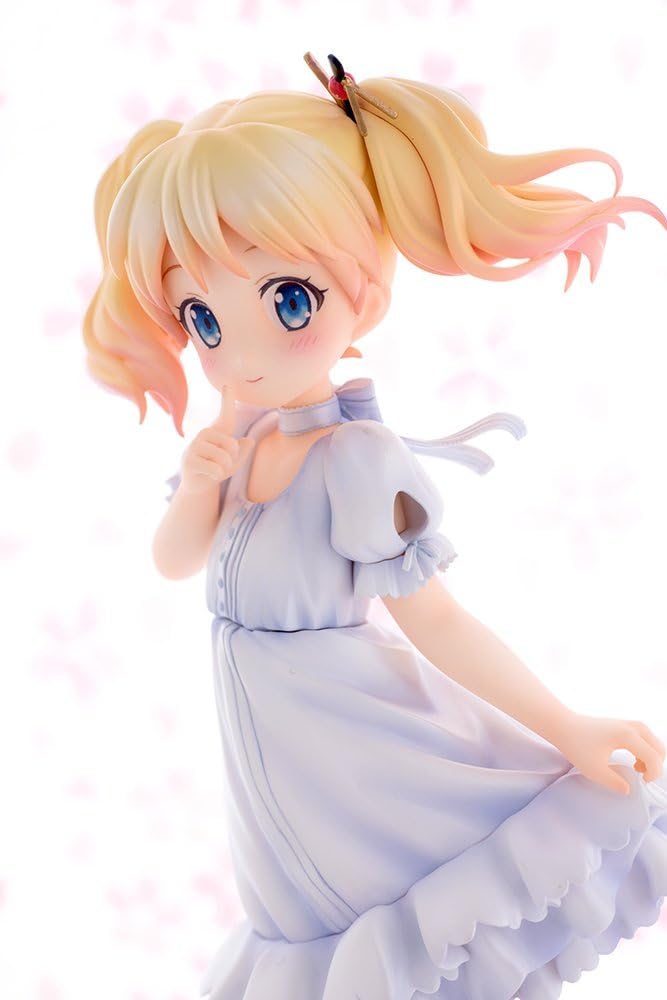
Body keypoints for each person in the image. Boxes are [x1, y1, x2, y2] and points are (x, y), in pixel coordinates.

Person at [83, 50, 667, 999]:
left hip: (364, 756)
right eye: (203, 317)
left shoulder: (357, 459)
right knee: (308, 938)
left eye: (288, 300)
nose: (241, 353)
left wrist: (565, 727)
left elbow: (435, 619)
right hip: (278, 770)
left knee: (404, 940)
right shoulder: (242, 439)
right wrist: (198, 483)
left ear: (361, 291)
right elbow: (173, 562)